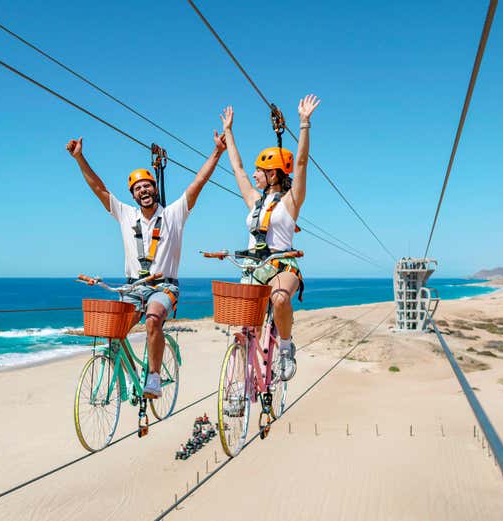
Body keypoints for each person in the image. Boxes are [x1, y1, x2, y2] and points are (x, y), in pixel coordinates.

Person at [66, 132, 226, 397]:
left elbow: (198, 183)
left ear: (155, 188)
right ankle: (129, 375)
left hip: (164, 288)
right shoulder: (126, 215)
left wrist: (217, 153)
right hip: (134, 288)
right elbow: (99, 189)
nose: (143, 190)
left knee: (153, 319)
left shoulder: (174, 214)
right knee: (112, 332)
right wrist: (79, 158)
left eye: (147, 185)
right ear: (133, 195)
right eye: (137, 188)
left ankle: (153, 376)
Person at [219, 94, 321, 381]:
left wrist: (304, 124)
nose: (254, 175)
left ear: (274, 174)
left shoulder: (291, 201)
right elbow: (237, 168)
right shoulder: (254, 201)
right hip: (253, 267)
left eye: (260, 171)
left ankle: (286, 348)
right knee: (241, 332)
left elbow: (300, 165)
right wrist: (228, 132)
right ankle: (239, 386)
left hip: (281, 265)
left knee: (278, 299)